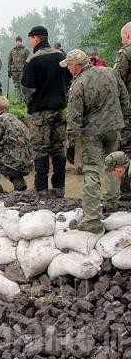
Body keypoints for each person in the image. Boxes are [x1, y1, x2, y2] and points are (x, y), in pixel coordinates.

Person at [62, 49, 130, 232]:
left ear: (75, 66)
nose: (68, 69)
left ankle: (92, 218)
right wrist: (123, 121)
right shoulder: (111, 72)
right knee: (113, 164)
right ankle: (111, 203)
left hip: (92, 132)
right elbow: (125, 99)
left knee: (91, 170)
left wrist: (70, 141)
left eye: (68, 66)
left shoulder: (79, 84)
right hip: (114, 127)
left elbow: (75, 115)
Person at [21, 25, 72, 197]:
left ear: (35, 38)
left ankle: (41, 189)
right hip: (59, 111)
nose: (30, 42)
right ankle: (59, 188)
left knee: (40, 150)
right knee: (58, 149)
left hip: (40, 113)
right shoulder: (61, 56)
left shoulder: (33, 60)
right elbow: (69, 80)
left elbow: (26, 88)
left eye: (30, 39)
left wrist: (31, 103)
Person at [114, 22, 131, 155]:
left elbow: (117, 80)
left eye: (122, 37)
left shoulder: (125, 53)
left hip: (128, 107)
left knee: (126, 146)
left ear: (128, 35)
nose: (122, 40)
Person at [8, 36, 30, 103]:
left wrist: (28, 70)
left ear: (21, 42)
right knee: (16, 86)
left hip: (22, 71)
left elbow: (28, 61)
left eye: (19, 41)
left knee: (22, 86)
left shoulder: (25, 50)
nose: (18, 43)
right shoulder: (12, 50)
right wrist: (9, 70)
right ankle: (18, 99)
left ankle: (24, 100)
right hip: (14, 70)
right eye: (17, 41)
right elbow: (9, 60)